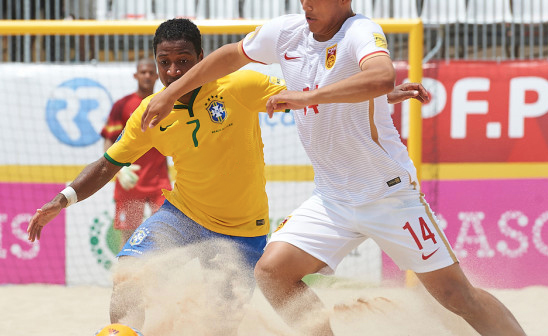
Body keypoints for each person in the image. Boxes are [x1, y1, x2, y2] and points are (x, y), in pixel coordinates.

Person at [140, 1, 527, 336]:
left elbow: (380, 76)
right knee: (272, 272)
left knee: (456, 295)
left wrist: (308, 97)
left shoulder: (361, 31)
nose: (307, 4)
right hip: (331, 198)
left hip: (387, 192)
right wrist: (170, 93)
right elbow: (229, 55)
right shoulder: (288, 31)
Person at [28, 17, 429, 334]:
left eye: (183, 61)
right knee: (129, 272)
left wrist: (383, 93)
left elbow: (311, 92)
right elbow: (106, 165)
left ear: (201, 57)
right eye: (164, 62)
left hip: (243, 230)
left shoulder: (239, 84)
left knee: (218, 326)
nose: (172, 70)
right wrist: (60, 200)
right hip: (182, 216)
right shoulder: (150, 111)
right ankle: (120, 332)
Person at [100, 58, 171, 247]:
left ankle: (162, 275)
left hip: (159, 181)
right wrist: (118, 169)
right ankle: (129, 276)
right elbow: (109, 139)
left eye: (150, 72)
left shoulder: (166, 102)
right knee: (129, 237)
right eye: (143, 72)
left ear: (157, 75)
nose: (147, 76)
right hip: (130, 181)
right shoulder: (122, 105)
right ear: (136, 75)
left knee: (166, 232)